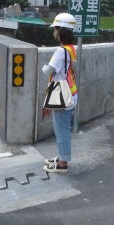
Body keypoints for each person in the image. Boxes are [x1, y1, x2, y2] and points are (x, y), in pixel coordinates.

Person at [42, 13, 78, 174]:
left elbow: (47, 71)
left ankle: (63, 163)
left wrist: (45, 66)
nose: (53, 32)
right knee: (62, 128)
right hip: (71, 93)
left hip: (63, 97)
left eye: (55, 29)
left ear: (61, 31)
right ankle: (61, 156)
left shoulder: (60, 52)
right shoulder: (71, 50)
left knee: (61, 130)